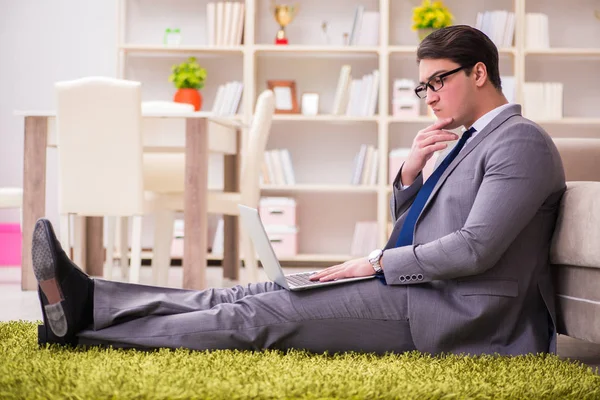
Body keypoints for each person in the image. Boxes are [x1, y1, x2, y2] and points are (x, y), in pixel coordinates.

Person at [33, 25, 565, 355]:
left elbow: (476, 247)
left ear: (479, 72)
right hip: (418, 287)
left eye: (437, 81)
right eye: (421, 85)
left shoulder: (519, 142)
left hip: (456, 313)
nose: (427, 95)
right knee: (244, 293)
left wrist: (375, 265)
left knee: (258, 318)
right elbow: (421, 227)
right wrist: (409, 175)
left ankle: (83, 334)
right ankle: (93, 299)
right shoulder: (466, 140)